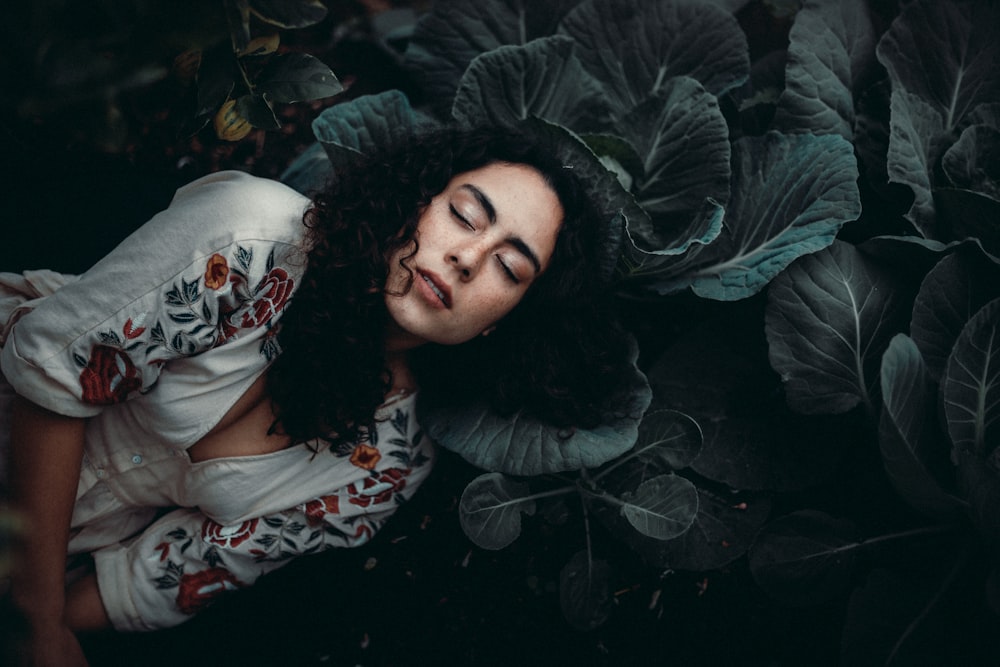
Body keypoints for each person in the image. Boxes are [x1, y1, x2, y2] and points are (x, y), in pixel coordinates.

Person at [0, 125, 635, 664]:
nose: (468, 256)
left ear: (501, 321)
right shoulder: (250, 238)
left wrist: (43, 630)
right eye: (465, 214)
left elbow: (167, 577)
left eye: (509, 267)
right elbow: (56, 377)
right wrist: (36, 620)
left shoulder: (387, 463)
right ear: (418, 198)